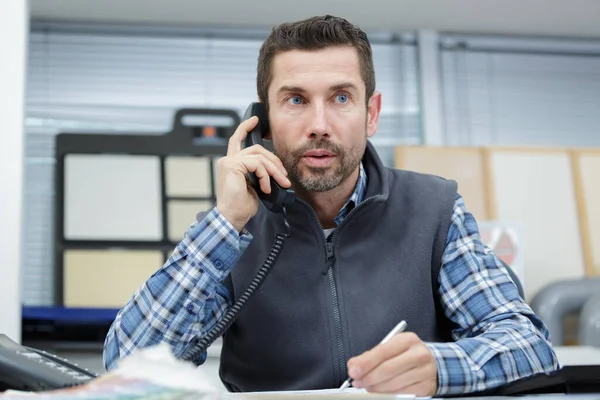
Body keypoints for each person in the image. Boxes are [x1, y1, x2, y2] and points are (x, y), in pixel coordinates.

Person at [103, 15, 559, 396]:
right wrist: (226, 223)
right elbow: (125, 366)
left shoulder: (435, 208)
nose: (319, 125)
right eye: (296, 100)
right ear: (261, 121)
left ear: (372, 113)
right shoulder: (229, 230)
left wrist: (440, 367)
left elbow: (529, 344)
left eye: (341, 98)